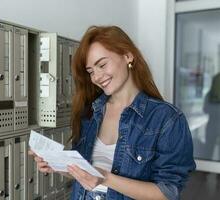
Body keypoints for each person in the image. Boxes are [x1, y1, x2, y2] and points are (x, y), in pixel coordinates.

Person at [29, 25, 196, 200]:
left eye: (102, 65)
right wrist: (57, 164)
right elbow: (85, 173)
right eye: (91, 71)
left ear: (128, 55)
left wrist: (106, 178)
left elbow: (167, 192)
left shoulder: (167, 119)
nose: (97, 77)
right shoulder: (90, 113)